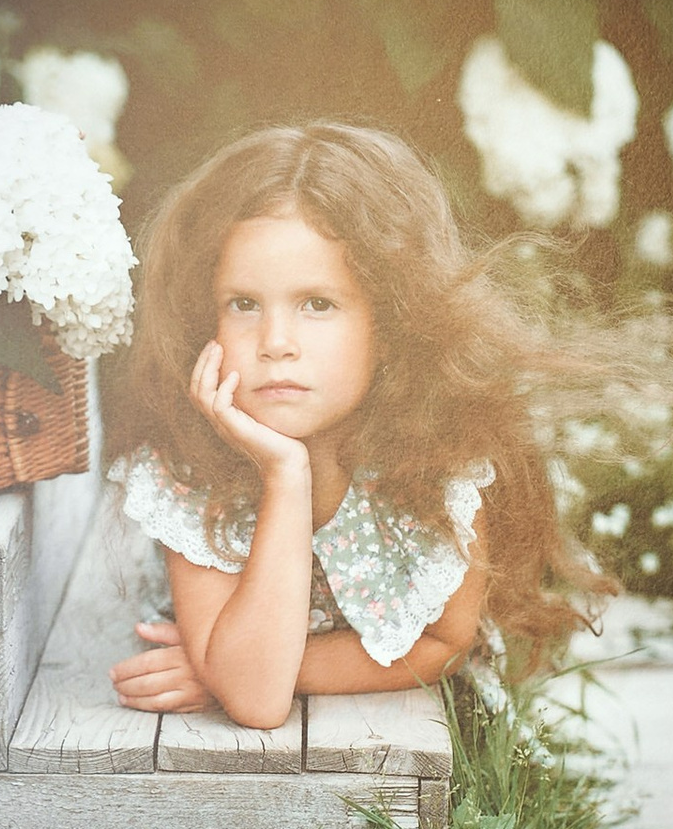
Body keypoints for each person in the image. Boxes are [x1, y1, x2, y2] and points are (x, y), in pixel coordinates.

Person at [99, 118, 634, 732]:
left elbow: (440, 643)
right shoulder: (187, 462)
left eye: (317, 305)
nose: (276, 343)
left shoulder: (444, 453)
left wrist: (231, 667)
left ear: (392, 322)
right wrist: (285, 475)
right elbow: (256, 699)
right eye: (243, 304)